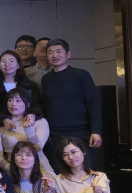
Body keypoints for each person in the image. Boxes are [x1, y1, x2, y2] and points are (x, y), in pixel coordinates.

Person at [42, 39, 102, 167]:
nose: (54, 55)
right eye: (50, 52)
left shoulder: (81, 75)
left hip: (81, 132)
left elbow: (93, 104)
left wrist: (96, 131)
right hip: (54, 134)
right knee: (59, 171)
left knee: (84, 170)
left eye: (59, 51)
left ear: (68, 54)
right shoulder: (45, 79)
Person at [0, 88, 55, 175]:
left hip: (40, 170)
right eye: (10, 100)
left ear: (27, 103)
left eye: (18, 101)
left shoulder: (39, 122)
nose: (13, 104)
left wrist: (28, 128)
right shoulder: (2, 127)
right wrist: (11, 168)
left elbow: (37, 147)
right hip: (14, 172)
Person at [0, 50, 43, 126]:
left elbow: (38, 105)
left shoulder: (29, 85)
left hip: (26, 124)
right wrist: (3, 119)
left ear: (18, 65)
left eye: (11, 61)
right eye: (3, 61)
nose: (7, 64)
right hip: (0, 126)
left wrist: (33, 114)